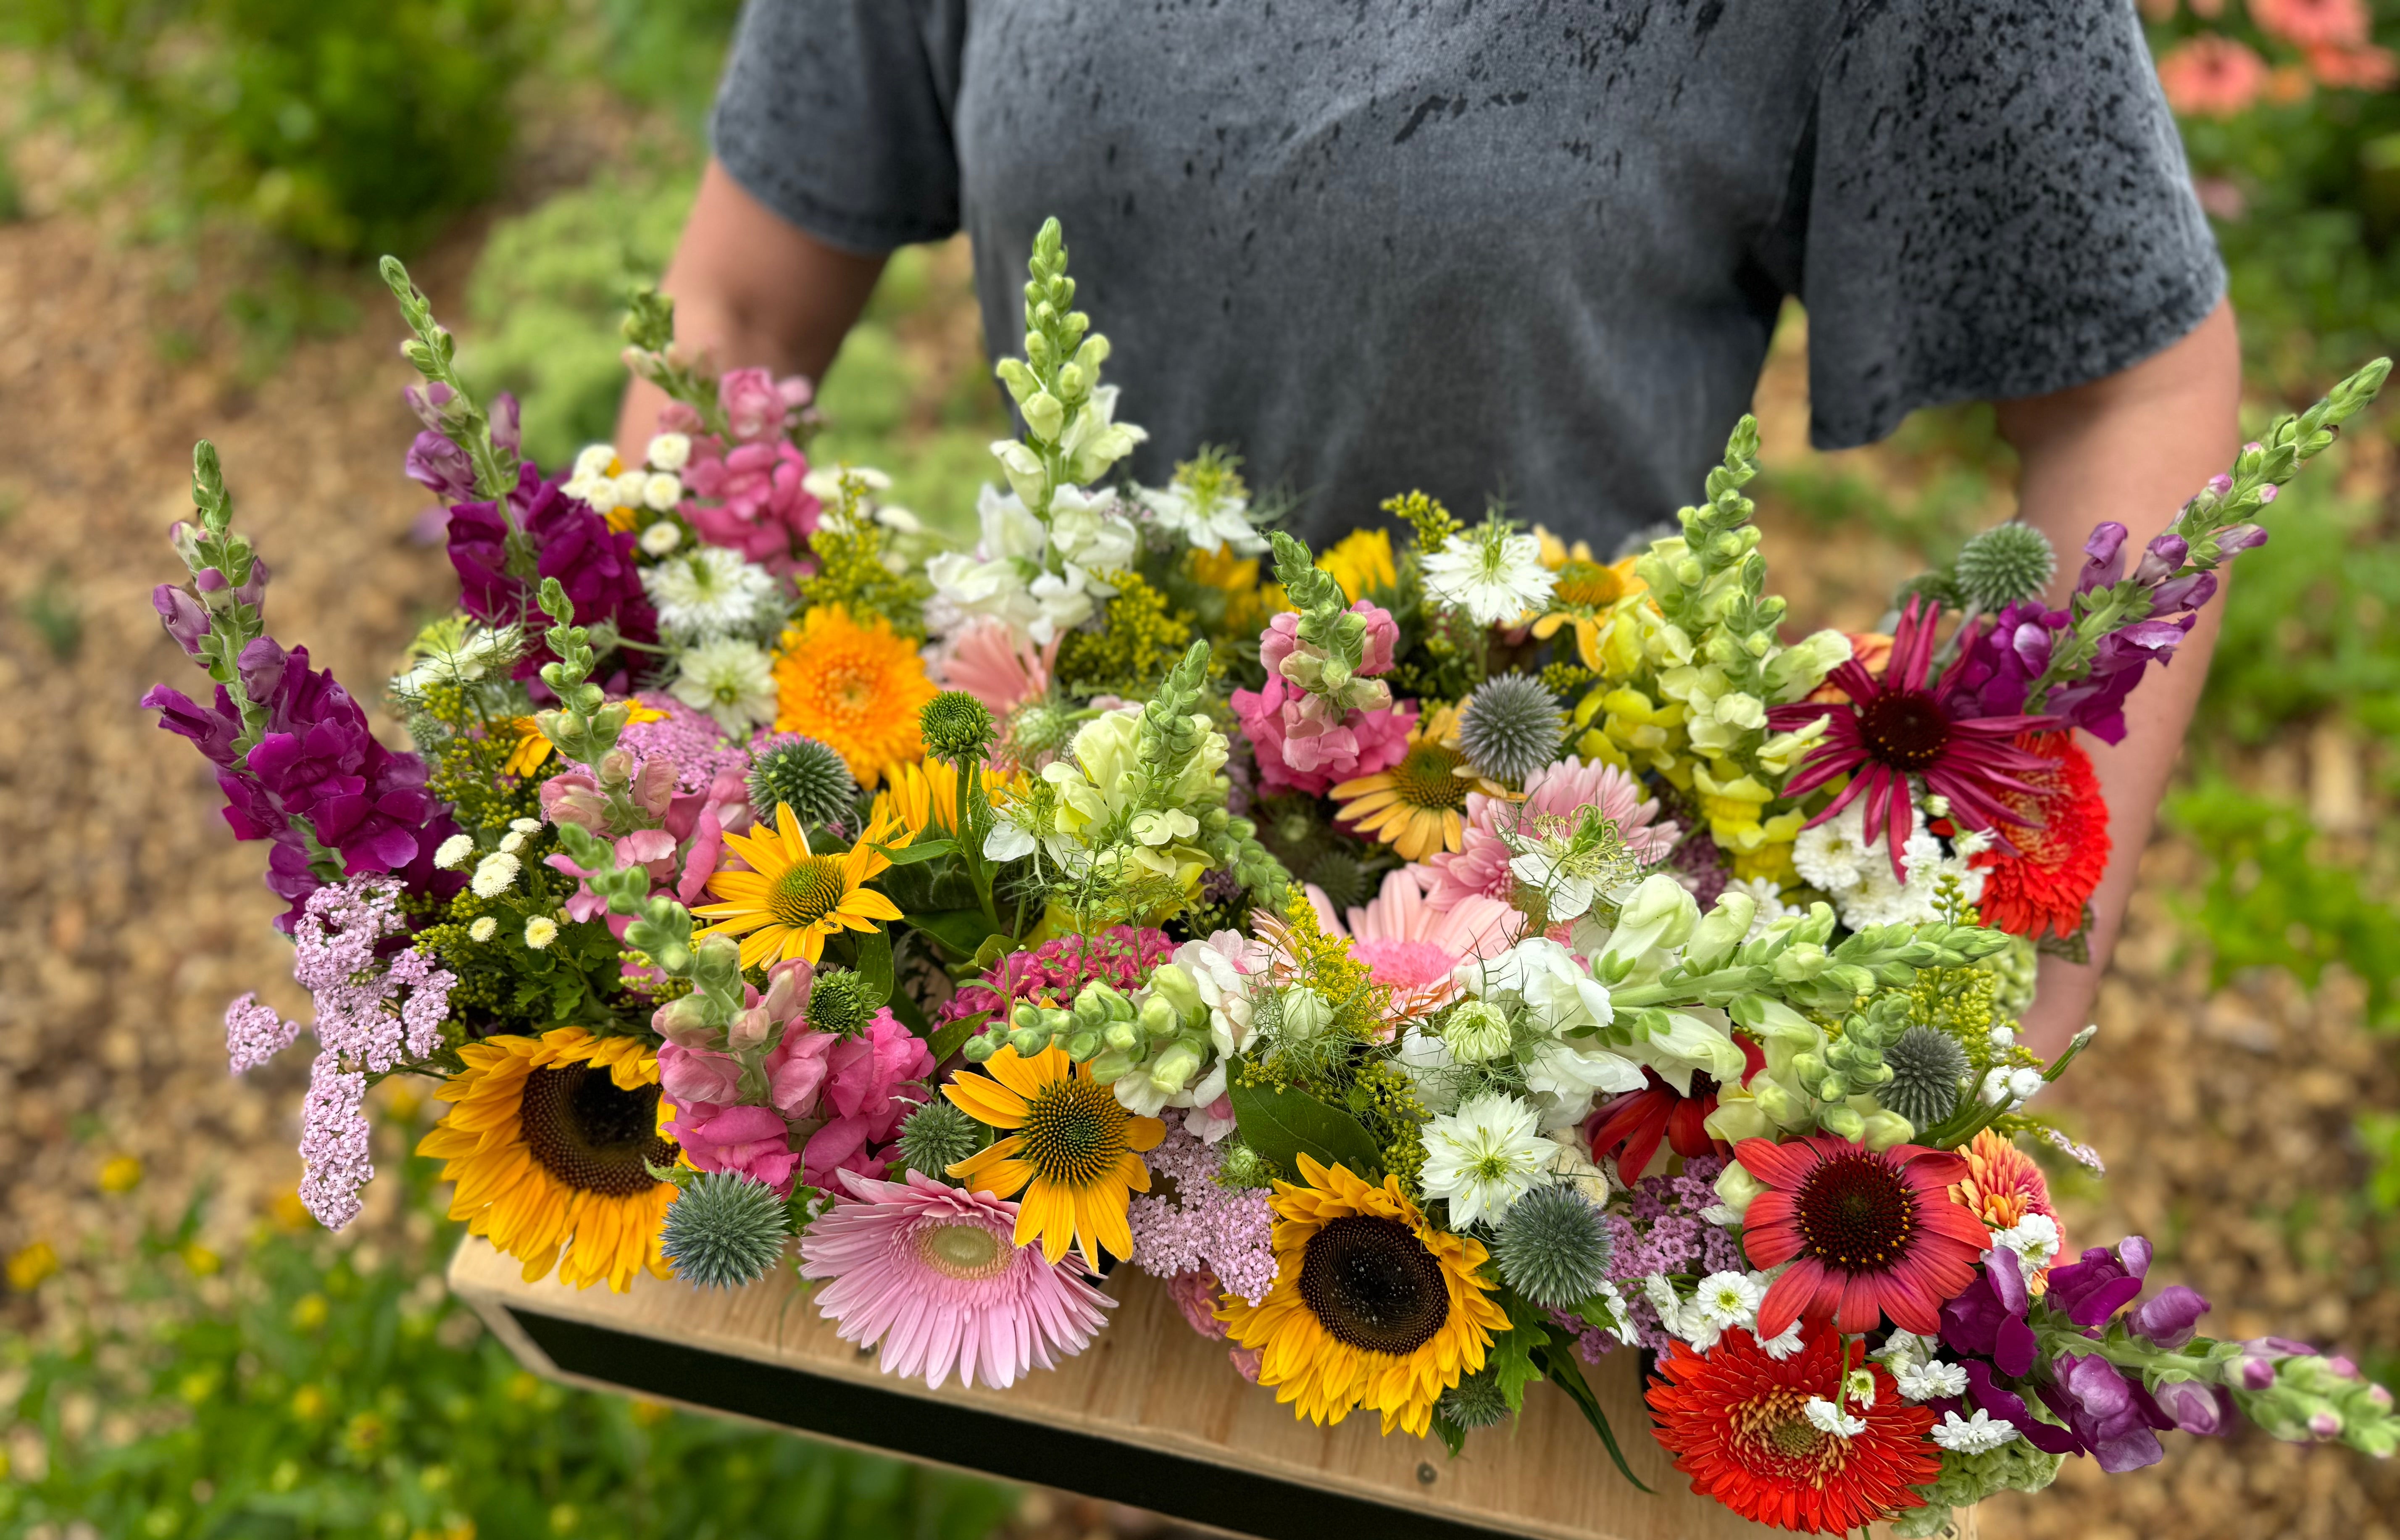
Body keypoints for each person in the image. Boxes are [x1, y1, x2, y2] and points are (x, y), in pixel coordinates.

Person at [619, 0, 2242, 1066]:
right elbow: (739, 297)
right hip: (1024, 867)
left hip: (1523, 948)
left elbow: (2126, 395)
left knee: (1394, 1364)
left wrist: (2008, 988)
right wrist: (654, 762)